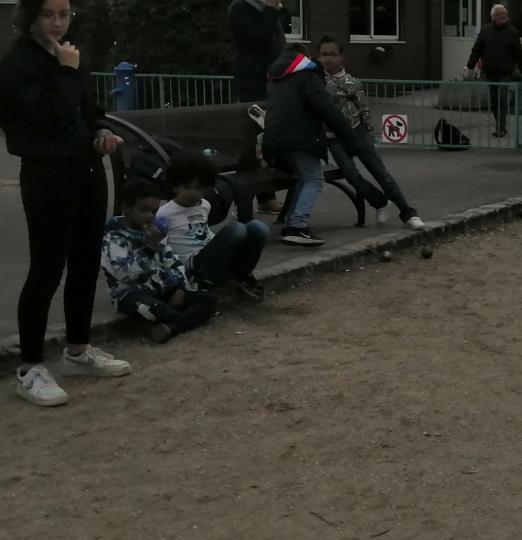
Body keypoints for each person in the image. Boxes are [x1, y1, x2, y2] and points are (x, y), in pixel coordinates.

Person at [0, 0, 132, 407]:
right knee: (47, 269)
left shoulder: (68, 56)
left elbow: (85, 111)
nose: (57, 23)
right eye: (49, 14)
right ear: (30, 16)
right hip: (47, 176)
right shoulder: (20, 64)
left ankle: (77, 349)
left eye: (65, 14)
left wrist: (102, 131)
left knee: (86, 262)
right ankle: (30, 367)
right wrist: (67, 71)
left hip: (86, 170)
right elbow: (50, 117)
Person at [316, 36, 426, 231]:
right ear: (318, 57)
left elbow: (364, 109)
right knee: (350, 174)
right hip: (333, 138)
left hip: (357, 132)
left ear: (342, 57)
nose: (329, 59)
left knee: (380, 172)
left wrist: (370, 135)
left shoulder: (350, 82)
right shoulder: (314, 80)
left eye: (333, 54)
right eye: (324, 54)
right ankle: (380, 202)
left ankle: (408, 213)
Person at [262, 44, 362, 248]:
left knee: (303, 177)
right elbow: (327, 108)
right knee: (315, 179)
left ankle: (292, 223)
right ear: (304, 58)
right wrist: (350, 139)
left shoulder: (276, 79)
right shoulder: (307, 77)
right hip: (299, 137)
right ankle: (297, 226)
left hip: (275, 139)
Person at [101, 179, 219, 343]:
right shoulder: (113, 238)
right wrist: (149, 247)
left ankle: (170, 328)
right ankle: (175, 322)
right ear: (126, 208)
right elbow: (128, 275)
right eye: (144, 210)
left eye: (154, 211)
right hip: (131, 294)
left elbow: (173, 262)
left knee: (210, 300)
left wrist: (180, 288)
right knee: (159, 310)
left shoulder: (156, 230)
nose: (150, 216)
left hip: (162, 287)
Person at [156, 152, 270, 299]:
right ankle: (201, 281)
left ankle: (243, 275)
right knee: (237, 229)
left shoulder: (204, 205)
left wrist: (223, 244)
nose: (192, 193)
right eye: (187, 187)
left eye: (198, 188)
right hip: (192, 263)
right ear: (175, 187)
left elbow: (203, 231)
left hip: (212, 256)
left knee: (258, 228)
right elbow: (159, 248)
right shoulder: (164, 213)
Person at [227, 0, 286, 213]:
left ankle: (263, 194)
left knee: (266, 138)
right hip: (253, 82)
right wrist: (271, 11)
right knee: (254, 138)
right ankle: (244, 193)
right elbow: (258, 39)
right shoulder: (240, 8)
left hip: (270, 79)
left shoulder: (262, 7)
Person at [465, 4, 522, 138]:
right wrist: (470, 66)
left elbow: (519, 53)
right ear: (494, 17)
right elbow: (477, 50)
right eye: (500, 14)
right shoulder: (486, 31)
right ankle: (499, 124)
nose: (503, 16)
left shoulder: (512, 32)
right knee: (494, 100)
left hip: (505, 72)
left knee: (502, 98)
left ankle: (501, 127)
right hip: (490, 72)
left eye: (505, 13)